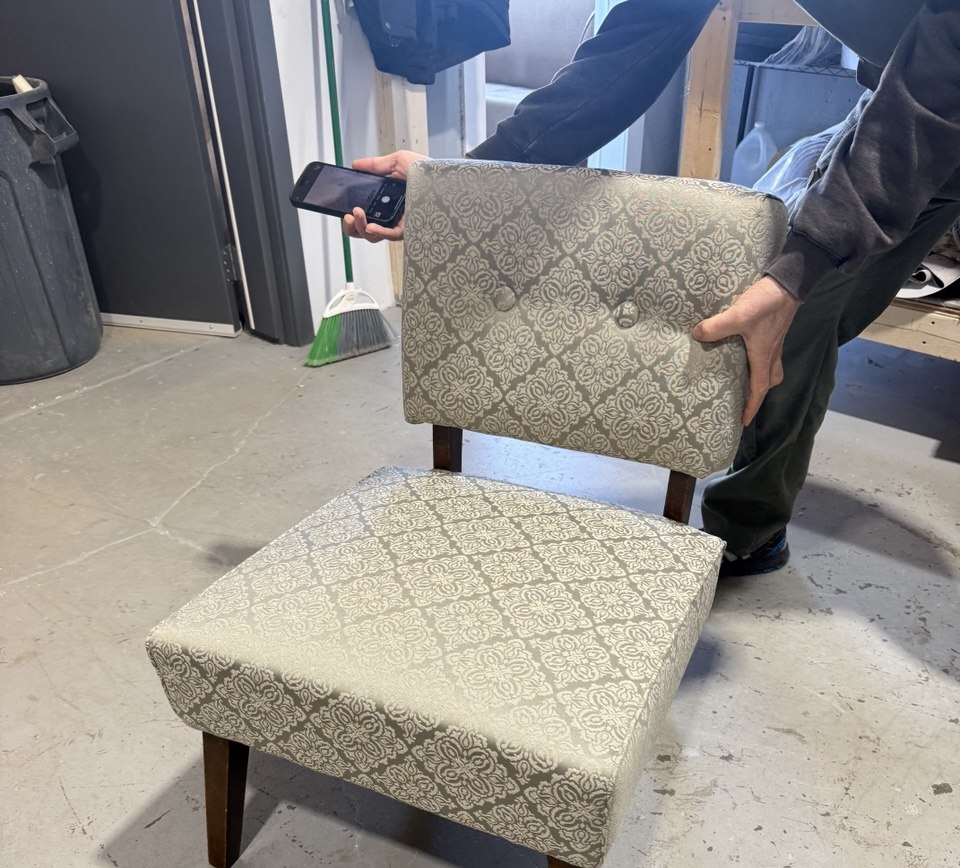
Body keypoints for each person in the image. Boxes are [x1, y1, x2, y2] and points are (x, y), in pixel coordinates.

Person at [344, 0, 960, 575]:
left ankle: (747, 532)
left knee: (795, 311)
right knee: (773, 291)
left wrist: (806, 265)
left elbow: (946, 64)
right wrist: (464, 181)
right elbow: (638, 40)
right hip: (893, 91)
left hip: (938, 109)